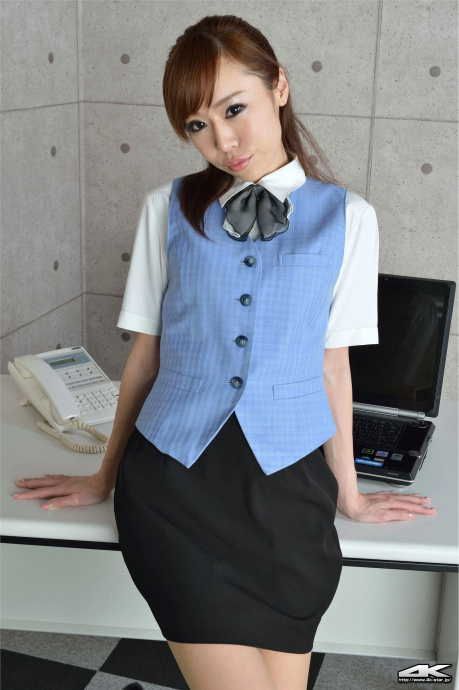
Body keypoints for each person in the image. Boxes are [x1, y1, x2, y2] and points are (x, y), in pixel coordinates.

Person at [12, 14, 436, 690]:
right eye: (196, 124)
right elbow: (145, 358)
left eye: (233, 109)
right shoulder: (167, 207)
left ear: (279, 87)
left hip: (289, 492)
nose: (221, 140)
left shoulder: (350, 218)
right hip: (174, 487)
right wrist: (104, 475)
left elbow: (334, 367)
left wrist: (350, 497)